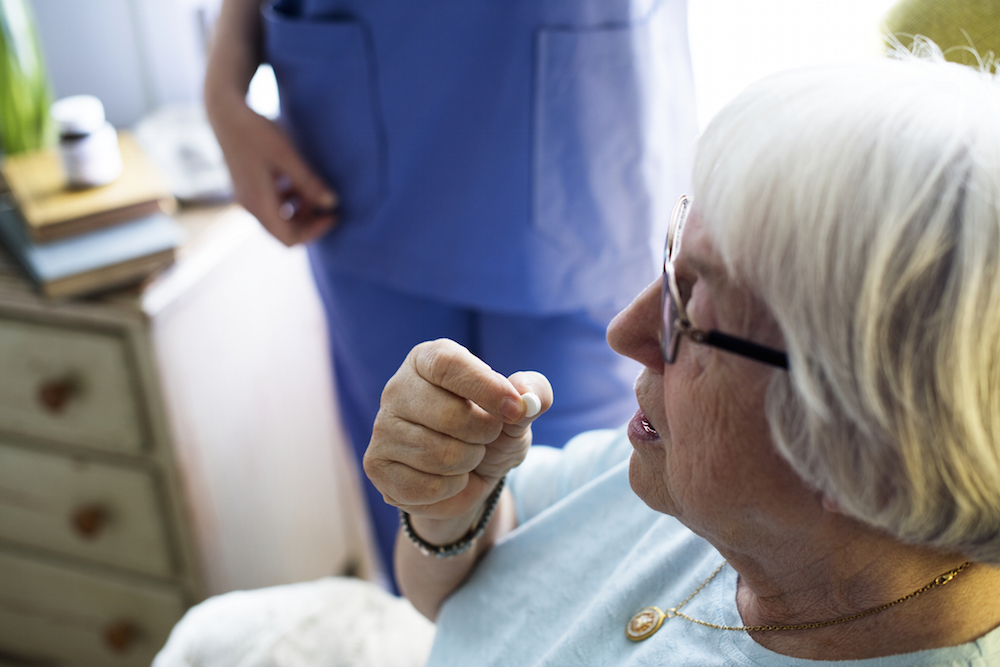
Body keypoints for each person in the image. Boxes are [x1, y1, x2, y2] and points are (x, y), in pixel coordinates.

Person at [361, 48, 1000, 664]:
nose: (625, 332)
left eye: (691, 312)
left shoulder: (703, 470)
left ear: (862, 455)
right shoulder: (677, 464)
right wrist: (453, 507)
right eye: (673, 264)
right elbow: (458, 588)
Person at [203, 0, 698, 590]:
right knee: (415, 492)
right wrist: (225, 82)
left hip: (581, 116)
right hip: (357, 117)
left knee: (586, 535)